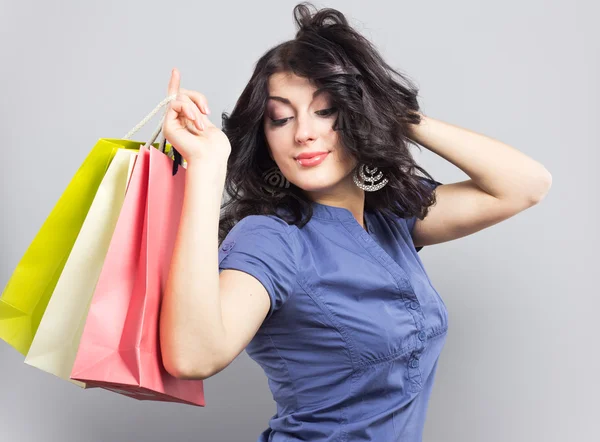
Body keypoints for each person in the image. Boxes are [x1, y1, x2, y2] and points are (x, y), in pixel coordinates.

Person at [158, 3, 552, 441]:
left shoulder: (391, 218)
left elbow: (524, 185)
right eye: (281, 118)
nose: (303, 132)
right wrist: (207, 169)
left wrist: (390, 111)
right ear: (266, 138)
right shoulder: (270, 238)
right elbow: (193, 358)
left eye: (327, 110)